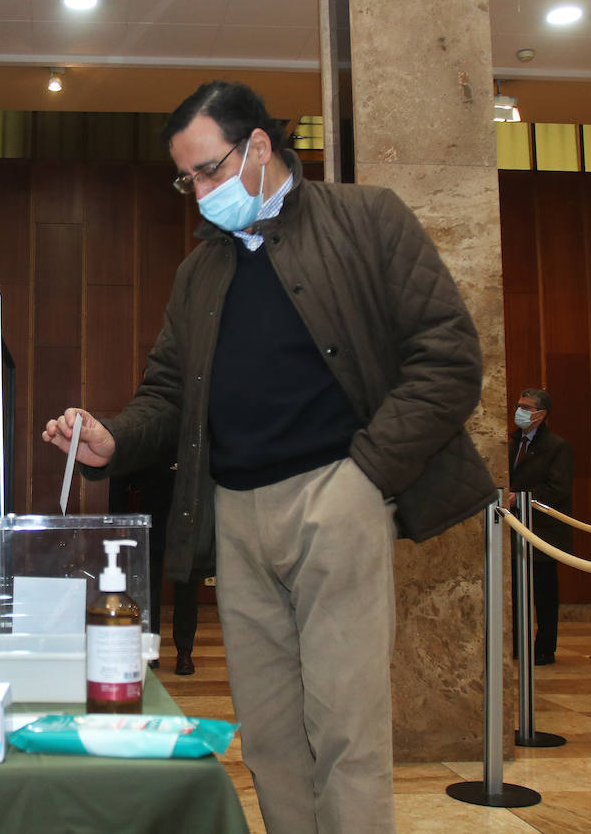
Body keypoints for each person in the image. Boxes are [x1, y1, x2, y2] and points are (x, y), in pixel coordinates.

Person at [41, 81, 494, 834]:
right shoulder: (201, 272)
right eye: (186, 180)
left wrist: (367, 475)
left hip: (338, 494)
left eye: (209, 171)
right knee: (272, 734)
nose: (199, 194)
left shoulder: (366, 218)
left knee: (345, 728)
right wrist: (113, 438)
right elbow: (168, 395)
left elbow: (449, 361)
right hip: (237, 517)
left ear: (259, 146)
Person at [108, 463, 204, 675]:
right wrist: (116, 516)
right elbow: (121, 469)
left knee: (187, 585)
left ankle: (185, 652)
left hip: (188, 513)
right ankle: (149, 650)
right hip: (150, 508)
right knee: (147, 584)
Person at [507, 388, 574, 665]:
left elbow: (558, 488)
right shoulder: (510, 443)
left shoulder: (558, 447)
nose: (519, 411)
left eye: (526, 407)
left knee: (544, 595)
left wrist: (521, 497)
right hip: (513, 527)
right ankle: (518, 646)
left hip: (544, 530)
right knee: (515, 592)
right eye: (519, 405)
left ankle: (545, 647)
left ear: (541, 414)